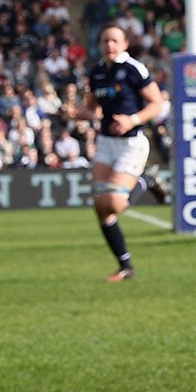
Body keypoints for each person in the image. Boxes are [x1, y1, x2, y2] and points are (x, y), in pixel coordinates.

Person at [76, 24, 168, 282]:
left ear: (125, 44)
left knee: (115, 202)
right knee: (101, 207)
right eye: (105, 40)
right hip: (106, 142)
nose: (110, 45)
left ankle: (147, 180)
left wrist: (133, 119)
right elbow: (92, 109)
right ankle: (125, 266)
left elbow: (157, 103)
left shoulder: (133, 69)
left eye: (115, 40)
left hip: (131, 142)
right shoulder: (97, 73)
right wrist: (77, 113)